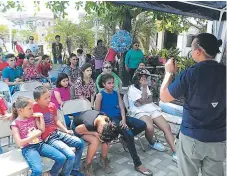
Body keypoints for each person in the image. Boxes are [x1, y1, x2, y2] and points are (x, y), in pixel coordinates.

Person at [159, 33, 226, 176]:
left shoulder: (191, 74)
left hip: (192, 138)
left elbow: (164, 97)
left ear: (198, 51)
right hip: (218, 139)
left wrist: (169, 73)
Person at [95, 73, 153, 176]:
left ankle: (124, 138)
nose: (112, 85)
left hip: (120, 117)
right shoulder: (100, 95)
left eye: (113, 83)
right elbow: (97, 112)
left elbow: (122, 107)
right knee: (129, 134)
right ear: (103, 84)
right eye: (109, 83)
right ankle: (137, 164)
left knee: (142, 125)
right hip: (110, 119)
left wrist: (124, 119)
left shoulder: (116, 93)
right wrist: (109, 120)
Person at [33, 86, 84, 176]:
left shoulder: (52, 106)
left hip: (57, 133)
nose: (49, 99)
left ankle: (74, 169)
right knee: (70, 155)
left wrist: (66, 130)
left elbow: (56, 121)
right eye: (45, 98)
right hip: (48, 138)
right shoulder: (34, 108)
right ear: (37, 100)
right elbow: (21, 111)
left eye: (49, 97)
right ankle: (64, 174)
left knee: (80, 143)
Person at [128, 68, 177, 161]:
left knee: (166, 127)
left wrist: (143, 99)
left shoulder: (146, 87)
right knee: (149, 127)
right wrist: (144, 90)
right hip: (140, 112)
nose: (144, 79)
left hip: (152, 109)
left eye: (145, 77)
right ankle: (152, 142)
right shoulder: (132, 89)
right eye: (141, 77)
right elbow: (142, 101)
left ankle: (175, 152)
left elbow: (150, 99)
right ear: (136, 78)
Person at [10, 96, 66, 176]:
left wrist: (41, 117)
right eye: (30, 109)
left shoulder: (33, 117)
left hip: (40, 144)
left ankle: (51, 174)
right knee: (37, 171)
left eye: (32, 108)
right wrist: (33, 136)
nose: (32, 111)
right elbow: (19, 143)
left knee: (61, 158)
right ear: (20, 110)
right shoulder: (15, 124)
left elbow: (42, 130)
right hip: (28, 148)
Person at [71, 110, 119, 176]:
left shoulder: (107, 120)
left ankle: (103, 159)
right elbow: (77, 130)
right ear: (100, 128)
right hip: (78, 128)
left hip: (92, 127)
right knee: (95, 141)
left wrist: (101, 135)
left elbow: (107, 134)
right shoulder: (89, 123)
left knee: (106, 139)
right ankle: (87, 165)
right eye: (100, 132)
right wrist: (94, 133)